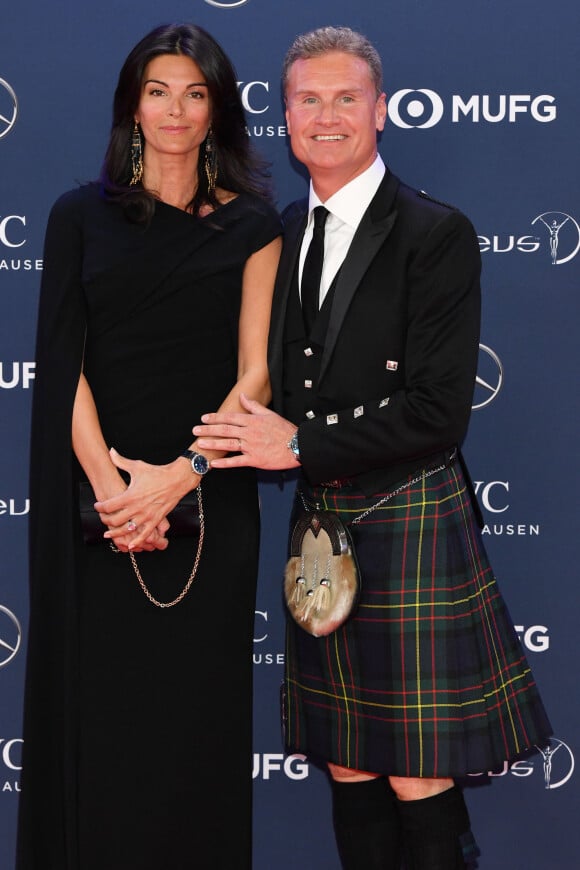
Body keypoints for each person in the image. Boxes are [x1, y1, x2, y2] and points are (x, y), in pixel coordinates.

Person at [195, 25, 552, 870]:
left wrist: (300, 445)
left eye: (345, 98)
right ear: (283, 116)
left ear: (380, 111)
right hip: (325, 529)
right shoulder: (278, 233)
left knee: (417, 775)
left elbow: (438, 412)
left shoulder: (436, 234)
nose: (326, 116)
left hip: (410, 520)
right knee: (349, 762)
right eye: (307, 100)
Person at [17, 23, 281, 870]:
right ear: (133, 103)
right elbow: (63, 364)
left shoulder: (255, 225)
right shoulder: (77, 217)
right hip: (102, 510)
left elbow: (258, 376)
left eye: (194, 92)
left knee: (193, 727)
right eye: (159, 90)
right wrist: (115, 493)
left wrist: (180, 480)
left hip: (209, 502)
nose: (175, 109)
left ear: (217, 110)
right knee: (106, 724)